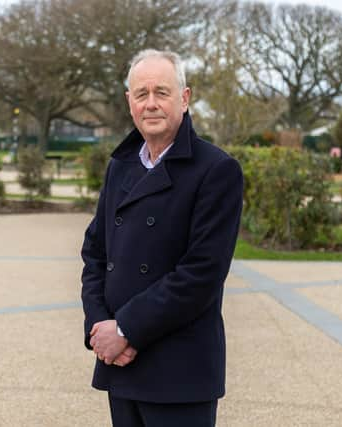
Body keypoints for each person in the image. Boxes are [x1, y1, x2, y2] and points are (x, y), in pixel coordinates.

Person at [80, 49, 244, 427]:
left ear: (184, 99)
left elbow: (201, 274)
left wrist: (125, 329)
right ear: (129, 103)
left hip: (179, 371)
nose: (150, 103)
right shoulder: (120, 166)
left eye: (162, 92)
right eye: (141, 94)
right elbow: (95, 253)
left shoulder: (217, 170)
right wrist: (99, 326)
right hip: (121, 366)